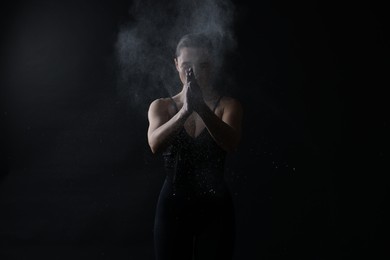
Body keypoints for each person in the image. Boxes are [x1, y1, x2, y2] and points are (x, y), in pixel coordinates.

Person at [147, 32, 243, 260]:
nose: (195, 72)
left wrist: (201, 107)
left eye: (203, 65)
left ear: (213, 66)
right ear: (176, 64)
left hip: (216, 208)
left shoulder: (228, 105)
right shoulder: (161, 106)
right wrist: (186, 110)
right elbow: (154, 145)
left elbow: (231, 144)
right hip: (172, 207)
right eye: (187, 65)